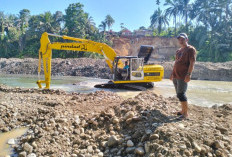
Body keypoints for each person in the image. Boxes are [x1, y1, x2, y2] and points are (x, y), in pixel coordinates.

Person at [170, 33, 197, 120]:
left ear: (187, 40)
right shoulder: (178, 51)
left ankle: (185, 114)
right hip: (176, 75)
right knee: (178, 94)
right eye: (179, 39)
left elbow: (192, 63)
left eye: (183, 39)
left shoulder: (190, 49)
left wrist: (189, 74)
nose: (181, 41)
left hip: (183, 75)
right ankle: (182, 111)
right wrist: (172, 74)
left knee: (181, 94)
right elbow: (176, 63)